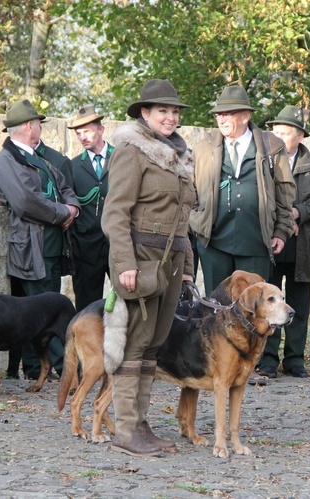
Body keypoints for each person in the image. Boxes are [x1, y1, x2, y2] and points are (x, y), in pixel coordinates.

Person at [101, 79, 196, 456]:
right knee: (135, 344)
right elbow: (115, 213)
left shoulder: (177, 154)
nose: (171, 117)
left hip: (171, 263)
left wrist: (186, 267)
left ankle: (140, 424)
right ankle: (126, 430)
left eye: (174, 111)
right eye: (163, 111)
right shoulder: (132, 151)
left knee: (153, 346)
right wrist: (124, 263)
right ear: (145, 113)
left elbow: (183, 218)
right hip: (139, 259)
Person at [0, 99, 79, 380]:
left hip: (51, 246)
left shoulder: (37, 156)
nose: (40, 127)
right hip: (30, 246)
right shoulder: (5, 159)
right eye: (38, 123)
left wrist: (72, 207)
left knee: (44, 306)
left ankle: (41, 369)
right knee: (40, 310)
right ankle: (56, 369)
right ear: (30, 126)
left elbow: (65, 186)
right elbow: (26, 202)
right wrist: (63, 212)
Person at [189, 85, 295, 296]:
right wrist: (197, 223)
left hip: (256, 242)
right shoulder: (203, 148)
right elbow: (190, 191)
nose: (221, 119)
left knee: (256, 310)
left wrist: (282, 231)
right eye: (219, 114)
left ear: (245, 116)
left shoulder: (271, 147)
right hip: (213, 244)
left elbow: (285, 193)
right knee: (217, 309)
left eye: (228, 113)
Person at [254, 105, 310, 380]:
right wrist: (284, 220)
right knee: (269, 303)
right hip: (272, 242)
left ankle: (295, 358)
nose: (277, 136)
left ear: (299, 136)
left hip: (302, 245)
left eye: (285, 132)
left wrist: (297, 213)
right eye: (275, 131)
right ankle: (268, 359)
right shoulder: (263, 161)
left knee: (298, 302)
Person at [61, 105, 113, 311]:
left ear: (101, 130)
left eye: (88, 131)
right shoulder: (72, 166)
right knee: (86, 309)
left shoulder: (123, 158)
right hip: (85, 249)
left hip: (119, 245)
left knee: (129, 304)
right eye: (78, 133)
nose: (82, 137)